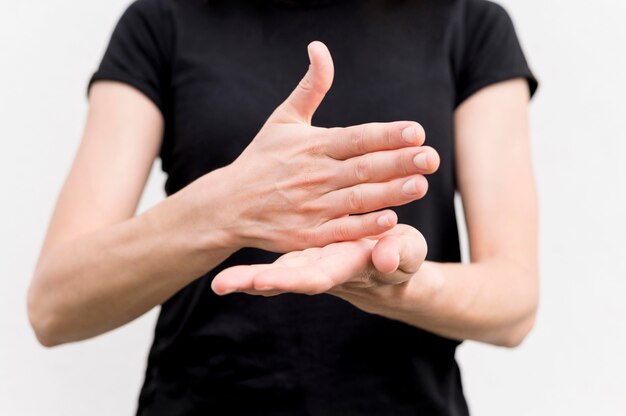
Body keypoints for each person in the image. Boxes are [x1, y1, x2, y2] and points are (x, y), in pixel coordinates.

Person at [27, 0, 539, 414]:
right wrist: (225, 209)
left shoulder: (470, 23)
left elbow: (514, 303)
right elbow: (54, 306)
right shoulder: (160, 21)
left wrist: (399, 285)